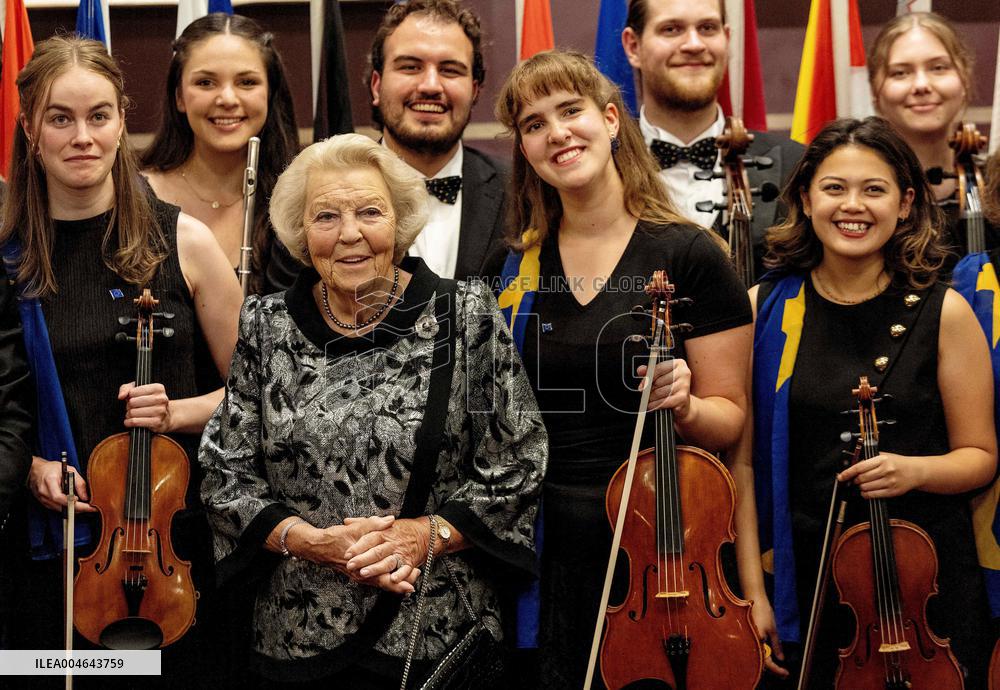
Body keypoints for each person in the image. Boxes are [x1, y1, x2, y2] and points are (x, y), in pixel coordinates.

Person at [198, 133, 546, 688]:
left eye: (369, 212)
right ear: (301, 232)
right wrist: (308, 541)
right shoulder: (265, 326)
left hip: (437, 638)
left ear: (401, 221)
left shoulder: (468, 314)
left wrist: (422, 534)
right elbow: (226, 476)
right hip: (295, 638)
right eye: (326, 216)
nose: (350, 234)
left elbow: (518, 461)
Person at [495, 49, 754, 689]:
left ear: (611, 120)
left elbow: (729, 422)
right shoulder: (511, 265)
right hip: (545, 548)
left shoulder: (690, 253)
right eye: (533, 124)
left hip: (659, 546)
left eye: (570, 111)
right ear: (524, 149)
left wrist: (688, 407)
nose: (556, 133)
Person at [0, 36, 242, 687]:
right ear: (29, 128)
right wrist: (26, 468)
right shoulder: (8, 257)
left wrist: (179, 411)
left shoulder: (183, 240)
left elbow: (269, 394)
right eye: (60, 118)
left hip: (168, 558)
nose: (82, 136)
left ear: (121, 121)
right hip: (42, 555)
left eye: (98, 116)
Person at [733, 117, 995, 688]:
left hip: (926, 583)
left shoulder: (945, 312)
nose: (853, 205)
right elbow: (744, 465)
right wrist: (753, 593)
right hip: (807, 580)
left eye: (873, 190)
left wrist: (915, 470)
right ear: (805, 198)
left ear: (904, 204)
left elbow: (980, 454)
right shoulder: (764, 309)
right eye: (834, 188)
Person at [620, 0, 803, 280]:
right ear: (634, 46)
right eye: (671, 29)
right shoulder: (602, 165)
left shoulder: (797, 167)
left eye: (707, 28)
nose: (694, 44)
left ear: (727, 40)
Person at [142, 13, 300, 295]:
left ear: (270, 93)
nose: (227, 99)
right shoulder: (135, 198)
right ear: (179, 96)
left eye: (247, 82)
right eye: (205, 83)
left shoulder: (300, 201)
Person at [367, 0, 506, 282]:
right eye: (410, 67)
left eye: (450, 70)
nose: (430, 85)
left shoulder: (523, 193)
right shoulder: (322, 195)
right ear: (377, 86)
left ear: (475, 90)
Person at [868, 11, 999, 261]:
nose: (921, 85)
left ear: (964, 80)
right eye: (900, 73)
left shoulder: (995, 188)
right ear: (876, 91)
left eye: (938, 68)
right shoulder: (859, 198)